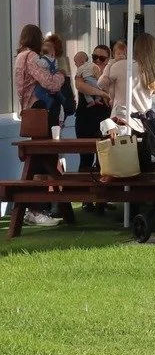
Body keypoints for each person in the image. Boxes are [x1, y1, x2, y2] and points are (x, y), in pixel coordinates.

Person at [13, 25, 65, 226]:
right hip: (40, 110)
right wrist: (61, 75)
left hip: (29, 111)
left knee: (40, 159)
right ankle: (35, 209)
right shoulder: (32, 57)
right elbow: (49, 83)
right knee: (42, 158)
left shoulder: (19, 57)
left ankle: (37, 208)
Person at [101, 32, 155, 121]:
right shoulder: (152, 70)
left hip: (122, 119)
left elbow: (102, 84)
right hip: (144, 119)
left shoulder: (121, 65)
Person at [74, 43, 112, 174]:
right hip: (85, 119)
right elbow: (80, 86)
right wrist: (101, 93)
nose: (97, 60)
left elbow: (112, 95)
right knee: (85, 160)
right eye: (94, 57)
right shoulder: (85, 70)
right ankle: (83, 192)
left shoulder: (110, 74)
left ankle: (102, 193)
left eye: (101, 58)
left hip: (104, 121)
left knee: (104, 162)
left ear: (107, 60)